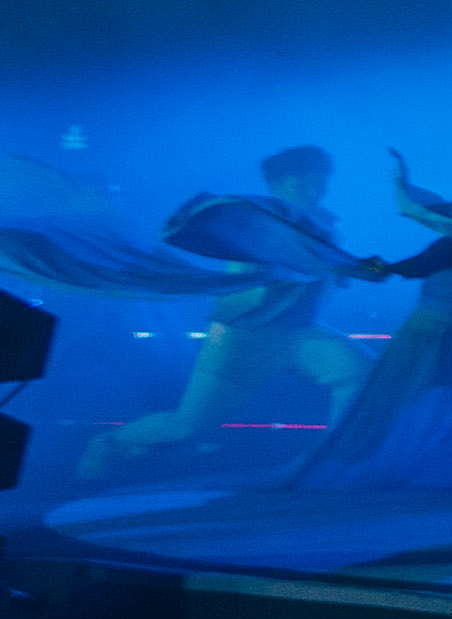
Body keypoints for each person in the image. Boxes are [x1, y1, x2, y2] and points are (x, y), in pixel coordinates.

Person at [73, 147, 372, 480]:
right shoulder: (252, 222)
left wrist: (360, 270)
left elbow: (334, 271)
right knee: (188, 425)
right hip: (242, 337)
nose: (315, 191)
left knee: (358, 371)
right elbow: (267, 277)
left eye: (321, 182)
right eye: (304, 183)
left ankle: (333, 460)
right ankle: (108, 443)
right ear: (277, 185)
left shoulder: (327, 226)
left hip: (298, 332)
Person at [290, 181, 452, 492]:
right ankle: (335, 464)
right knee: (382, 409)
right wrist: (379, 267)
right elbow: (417, 266)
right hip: (424, 341)